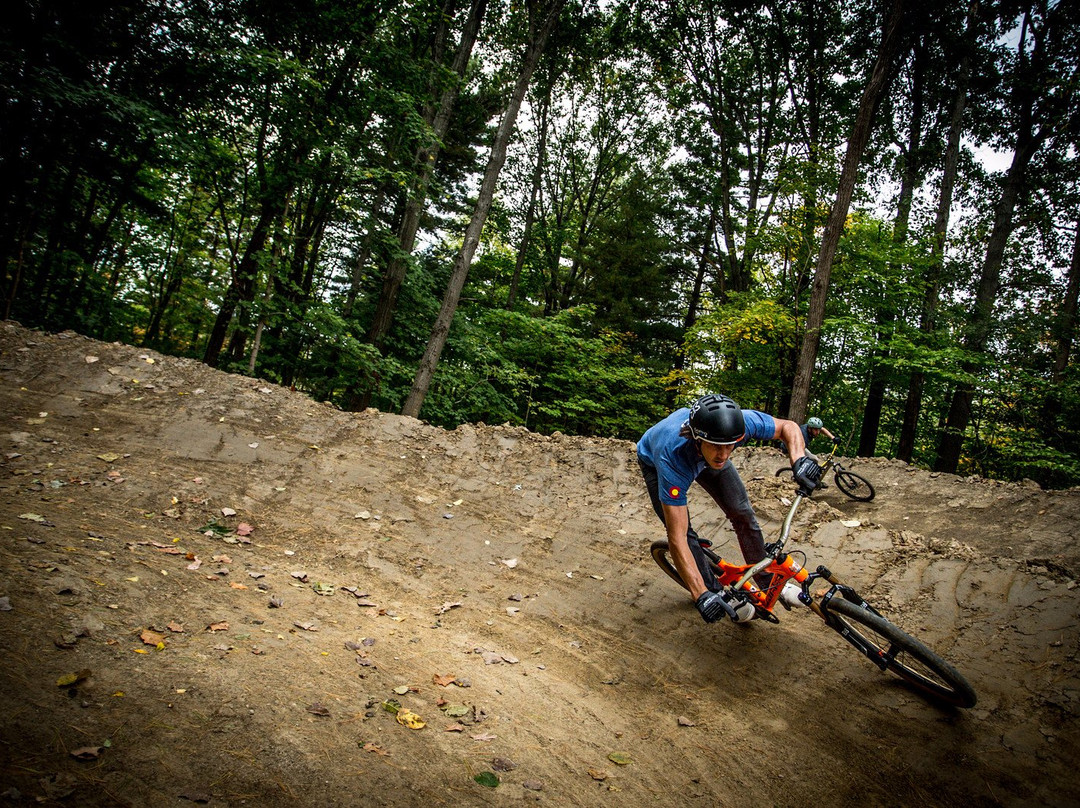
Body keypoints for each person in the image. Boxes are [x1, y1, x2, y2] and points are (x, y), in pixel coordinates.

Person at [636, 394, 822, 624]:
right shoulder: (673, 459)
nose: (724, 454)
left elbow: (788, 427)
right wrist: (700, 595)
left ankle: (770, 582)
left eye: (729, 446)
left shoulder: (737, 426)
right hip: (658, 461)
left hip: (702, 453)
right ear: (698, 437)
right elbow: (678, 539)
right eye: (717, 446)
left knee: (742, 512)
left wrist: (799, 459)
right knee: (685, 533)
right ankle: (715, 593)